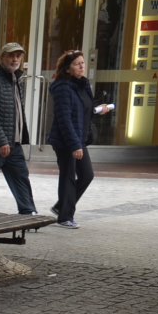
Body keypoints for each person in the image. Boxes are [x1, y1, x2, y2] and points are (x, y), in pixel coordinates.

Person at [48, 49, 109, 229]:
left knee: (87, 175)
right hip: (66, 140)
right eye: (77, 64)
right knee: (67, 176)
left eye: (83, 63)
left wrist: (99, 110)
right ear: (67, 69)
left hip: (79, 138)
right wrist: (74, 144)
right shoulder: (62, 88)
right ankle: (65, 217)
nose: (82, 66)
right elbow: (64, 118)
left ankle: (61, 206)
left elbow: (83, 113)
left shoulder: (82, 84)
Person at [0, 42, 38, 215]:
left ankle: (28, 212)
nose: (15, 59)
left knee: (21, 177)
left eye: (18, 56)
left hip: (15, 144)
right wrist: (1, 141)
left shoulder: (17, 81)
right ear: (2, 57)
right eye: (11, 55)